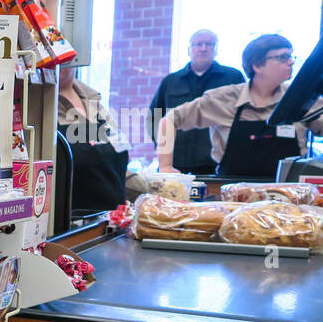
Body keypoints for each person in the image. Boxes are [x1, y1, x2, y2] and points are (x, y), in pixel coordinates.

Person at [158, 34, 323, 179]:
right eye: (282, 57)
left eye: (291, 56)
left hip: (289, 196)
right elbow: (169, 120)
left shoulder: (303, 96)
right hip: (232, 196)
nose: (291, 62)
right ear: (257, 65)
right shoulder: (223, 98)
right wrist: (165, 166)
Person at [147, 30, 242, 176]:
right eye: (198, 44)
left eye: (209, 44)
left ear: (215, 49)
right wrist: (162, 150)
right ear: (189, 49)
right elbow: (155, 116)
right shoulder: (171, 81)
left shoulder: (232, 78)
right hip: (175, 165)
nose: (203, 48)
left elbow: (243, 119)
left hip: (215, 165)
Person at [57, 67, 127, 213]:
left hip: (111, 221)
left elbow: (119, 153)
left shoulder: (93, 99)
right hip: (70, 226)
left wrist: (148, 190)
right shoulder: (38, 103)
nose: (58, 62)